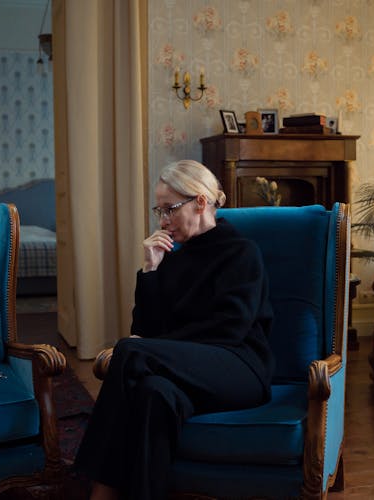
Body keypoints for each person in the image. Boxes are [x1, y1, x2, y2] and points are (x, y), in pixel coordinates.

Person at [74, 160, 274, 500]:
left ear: (200, 201)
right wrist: (151, 269)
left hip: (240, 367)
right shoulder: (172, 258)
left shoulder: (242, 252)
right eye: (159, 210)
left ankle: (99, 491)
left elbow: (229, 329)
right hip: (185, 370)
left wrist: (152, 346)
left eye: (170, 209)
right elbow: (144, 329)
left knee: (130, 350)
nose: (163, 221)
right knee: (154, 393)